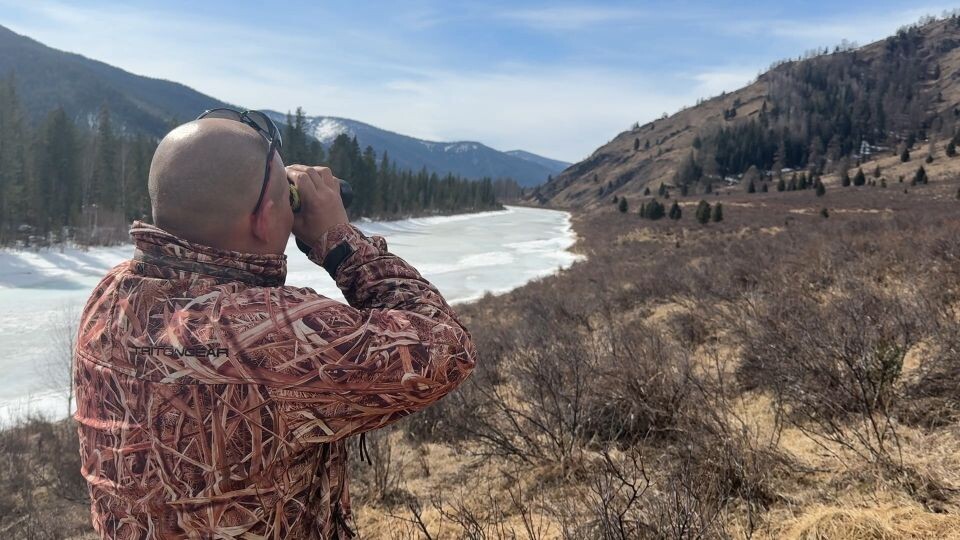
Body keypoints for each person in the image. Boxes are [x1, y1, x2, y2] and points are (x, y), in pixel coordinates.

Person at [73, 109, 477, 539]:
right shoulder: (276, 337)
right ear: (264, 217)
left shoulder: (109, 298)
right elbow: (447, 346)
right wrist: (339, 240)